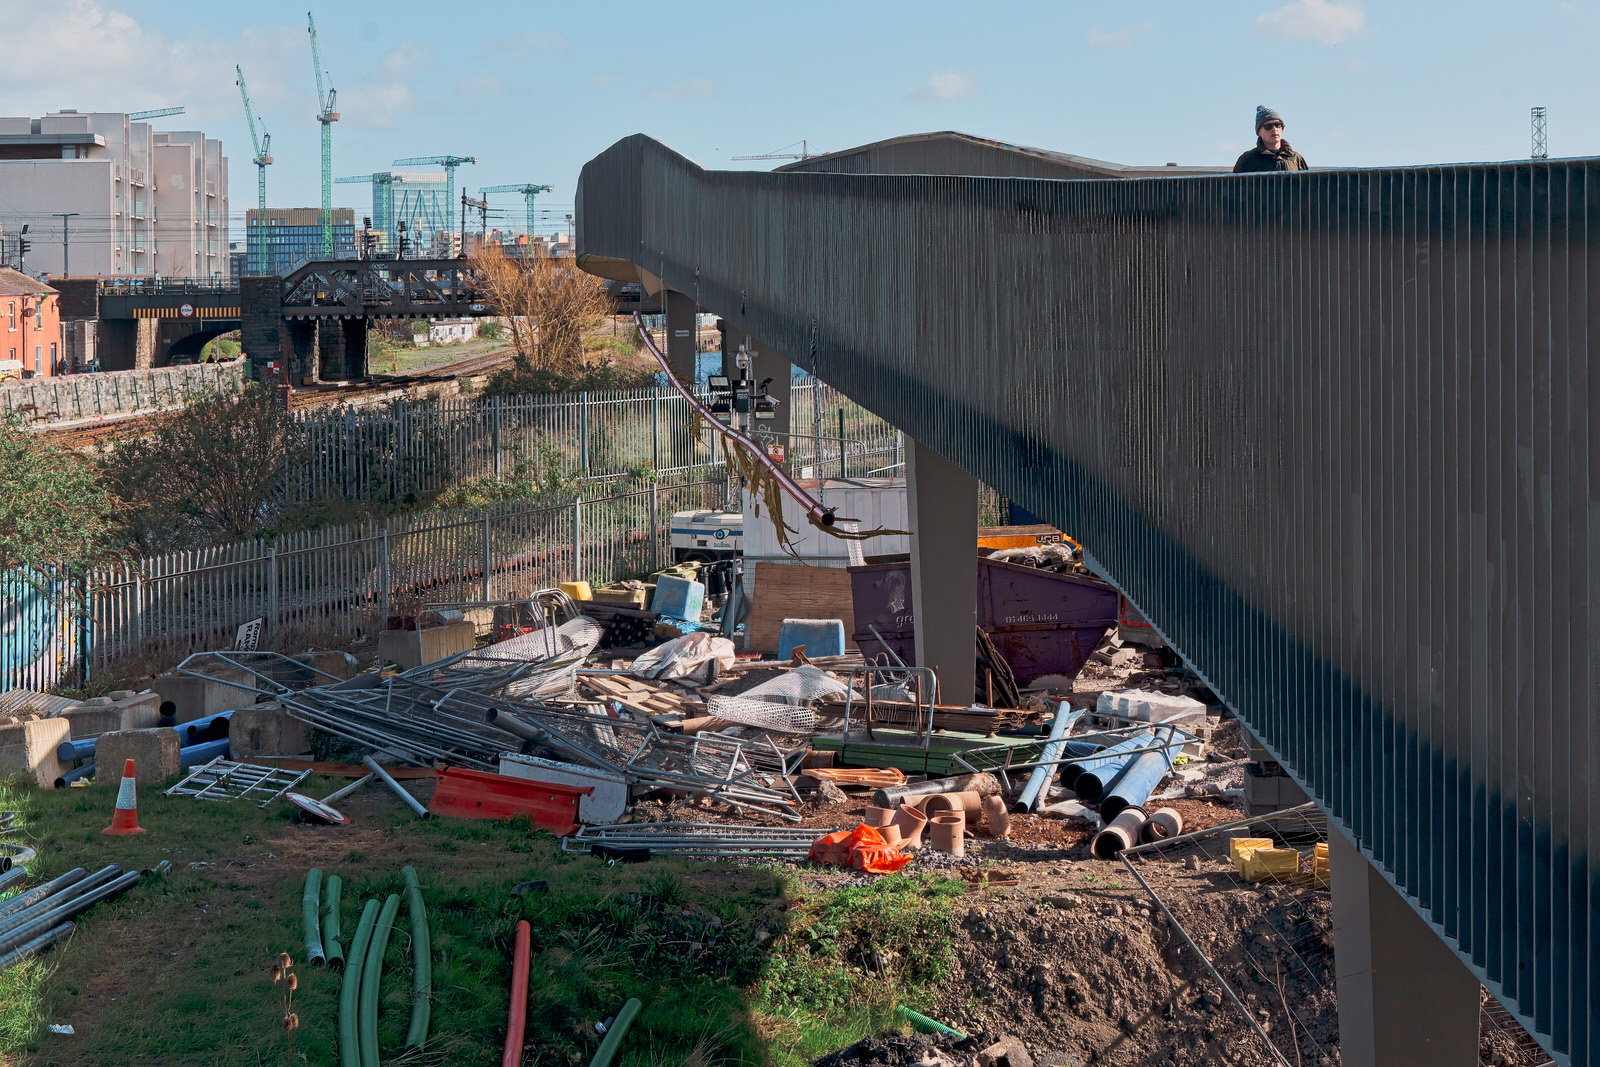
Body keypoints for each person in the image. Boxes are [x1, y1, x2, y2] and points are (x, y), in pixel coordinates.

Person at [1234, 106, 1308, 173]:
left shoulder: (1296, 159)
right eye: (1268, 126)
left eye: (1278, 125)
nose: (1274, 129)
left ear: (1282, 128)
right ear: (1259, 132)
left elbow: (1309, 185)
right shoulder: (1247, 159)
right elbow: (1233, 186)